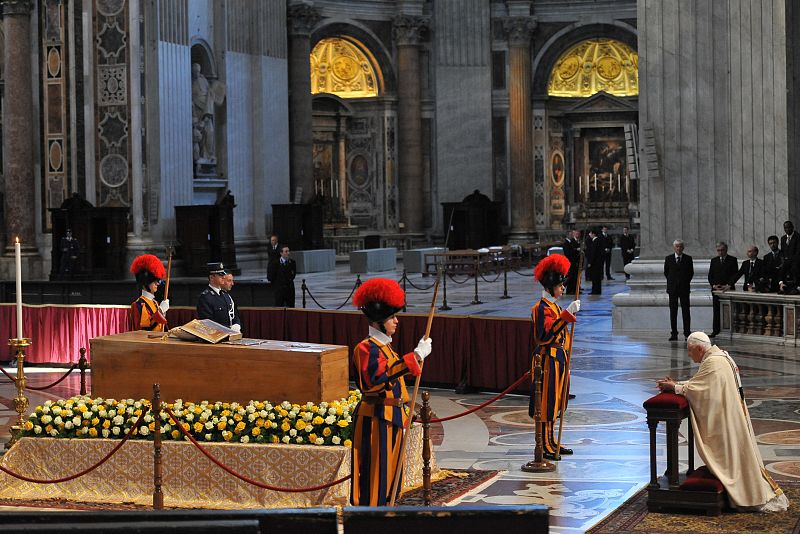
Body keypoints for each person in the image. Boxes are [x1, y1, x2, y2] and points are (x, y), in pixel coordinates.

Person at [657, 332, 788, 512]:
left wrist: (676, 387)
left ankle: (746, 492)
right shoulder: (720, 357)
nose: (688, 355)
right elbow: (702, 383)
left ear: (700, 348)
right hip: (732, 415)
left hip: (726, 421)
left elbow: (701, 390)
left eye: (690, 350)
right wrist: (678, 384)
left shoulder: (714, 362)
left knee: (730, 456)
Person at [350, 278, 432, 506]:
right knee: (376, 476)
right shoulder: (366, 348)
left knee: (391, 477)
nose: (397, 321)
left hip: (392, 418)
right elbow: (374, 380)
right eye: (392, 317)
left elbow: (395, 379)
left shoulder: (385, 347)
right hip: (376, 420)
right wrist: (416, 356)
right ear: (379, 321)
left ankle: (385, 513)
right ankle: (371, 519)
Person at [531, 254, 580, 461]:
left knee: (556, 402)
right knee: (546, 404)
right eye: (560, 286)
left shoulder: (555, 307)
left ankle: (551, 442)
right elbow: (546, 335)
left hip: (558, 359)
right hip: (547, 361)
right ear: (550, 287)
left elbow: (563, 336)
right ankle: (543, 445)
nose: (562, 289)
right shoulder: (541, 308)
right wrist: (567, 316)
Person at [197, 262, 242, 332]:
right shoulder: (205, 297)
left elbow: (234, 314)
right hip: (216, 337)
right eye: (220, 276)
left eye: (223, 275)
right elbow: (208, 322)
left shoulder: (225, 294)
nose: (223, 277)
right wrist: (229, 329)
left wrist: (237, 324)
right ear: (211, 277)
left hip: (231, 334)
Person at [129, 254, 169, 332]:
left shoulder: (155, 302)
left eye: (158, 281)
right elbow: (145, 328)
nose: (157, 284)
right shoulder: (137, 305)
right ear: (145, 283)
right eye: (154, 281)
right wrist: (160, 311)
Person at [664, 239, 693, 341]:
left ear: (683, 248)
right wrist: (673, 282)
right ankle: (674, 333)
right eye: (677, 246)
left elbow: (690, 273)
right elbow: (666, 272)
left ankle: (687, 332)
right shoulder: (668, 259)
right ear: (674, 247)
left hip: (684, 288)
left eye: (680, 246)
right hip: (672, 289)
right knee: (673, 311)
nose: (679, 248)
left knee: (686, 311)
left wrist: (684, 282)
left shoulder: (688, 259)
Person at [708, 241, 738, 337]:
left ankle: (729, 331)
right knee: (716, 311)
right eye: (718, 250)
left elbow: (735, 274)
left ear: (726, 250)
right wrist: (713, 285)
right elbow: (710, 275)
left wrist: (728, 284)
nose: (720, 252)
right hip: (716, 290)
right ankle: (715, 330)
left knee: (729, 311)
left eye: (722, 250)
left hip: (728, 289)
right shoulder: (714, 260)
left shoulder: (732, 260)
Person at [562, 230, 581, 295]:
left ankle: (573, 289)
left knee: (573, 276)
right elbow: (568, 253)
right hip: (569, 261)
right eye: (571, 234)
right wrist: (575, 250)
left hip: (573, 261)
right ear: (568, 235)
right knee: (570, 276)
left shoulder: (570, 242)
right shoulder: (566, 243)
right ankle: (568, 290)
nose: (572, 236)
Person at [585, 228, 603, 295]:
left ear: (593, 234)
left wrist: (590, 262)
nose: (589, 235)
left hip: (595, 263)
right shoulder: (598, 240)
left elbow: (593, 253)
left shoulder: (595, 241)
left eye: (590, 233)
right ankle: (597, 290)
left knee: (595, 277)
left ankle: (595, 291)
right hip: (598, 262)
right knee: (597, 277)